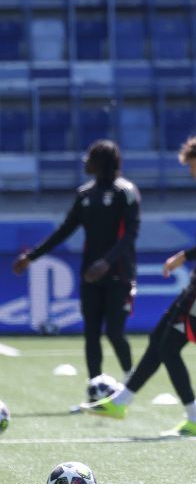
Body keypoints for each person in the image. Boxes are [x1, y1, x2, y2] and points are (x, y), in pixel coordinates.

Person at [82, 133, 196, 435]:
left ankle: (195, 418)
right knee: (159, 337)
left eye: (193, 166)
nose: (191, 172)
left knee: (169, 348)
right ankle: (121, 402)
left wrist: (183, 256)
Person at [12, 140, 139, 383]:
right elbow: (64, 230)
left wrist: (106, 262)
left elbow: (130, 234)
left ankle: (131, 383)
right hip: (90, 275)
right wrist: (31, 256)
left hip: (119, 274)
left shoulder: (126, 192)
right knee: (91, 334)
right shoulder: (85, 194)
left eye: (90, 157)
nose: (85, 161)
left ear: (102, 161)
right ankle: (95, 389)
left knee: (114, 332)